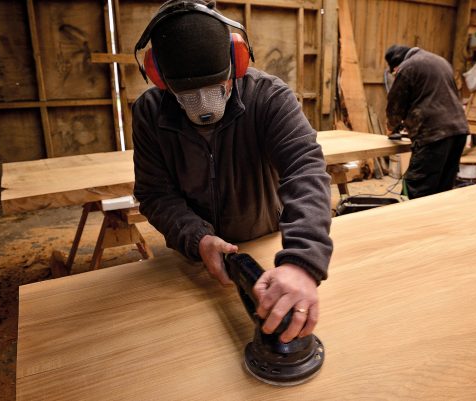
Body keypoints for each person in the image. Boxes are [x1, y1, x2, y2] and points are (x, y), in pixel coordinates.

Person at [131, 0, 333, 344]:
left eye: (215, 86)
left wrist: (301, 261)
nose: (204, 105)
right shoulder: (150, 114)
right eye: (188, 94)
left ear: (237, 61)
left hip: (267, 241)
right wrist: (197, 238)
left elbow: (305, 168)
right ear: (160, 78)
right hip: (194, 259)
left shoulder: (269, 98)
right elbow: (154, 193)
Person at [385, 45, 469, 199]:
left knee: (417, 188)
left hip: (433, 135)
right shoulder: (440, 61)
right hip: (459, 131)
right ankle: (436, 222)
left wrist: (391, 127)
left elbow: (395, 105)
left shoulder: (407, 67)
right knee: (442, 188)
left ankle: (413, 222)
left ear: (396, 64)